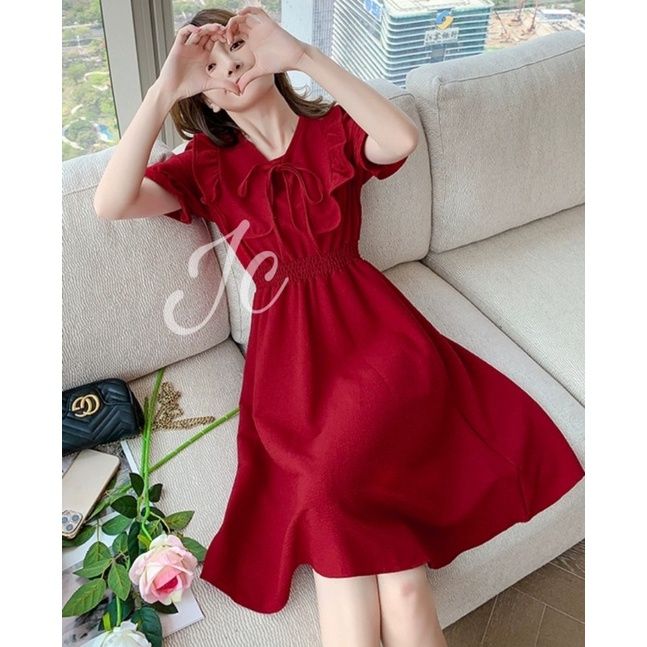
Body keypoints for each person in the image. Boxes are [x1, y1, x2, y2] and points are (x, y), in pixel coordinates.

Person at [94, 6, 584, 647]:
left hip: (379, 343)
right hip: (290, 364)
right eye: (210, 67)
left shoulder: (331, 130)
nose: (231, 68)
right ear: (201, 96)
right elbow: (111, 201)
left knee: (333, 494)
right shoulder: (205, 167)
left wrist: (301, 55)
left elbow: (400, 140)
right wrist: (163, 90)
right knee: (396, 580)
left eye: (238, 49)